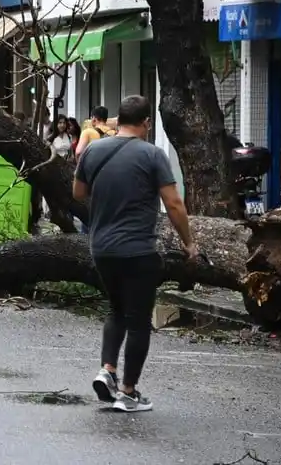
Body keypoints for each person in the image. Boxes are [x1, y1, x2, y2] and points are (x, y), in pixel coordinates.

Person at [74, 95, 196, 413]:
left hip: (101, 248)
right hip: (138, 250)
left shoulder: (93, 150)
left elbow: (78, 192)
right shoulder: (152, 155)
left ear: (118, 118)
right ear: (146, 123)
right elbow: (173, 204)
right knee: (139, 320)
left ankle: (107, 370)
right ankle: (128, 393)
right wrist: (189, 242)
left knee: (116, 310)